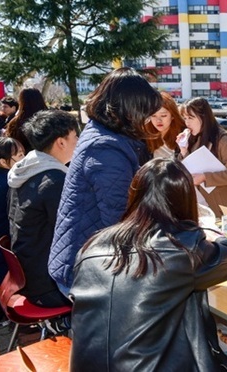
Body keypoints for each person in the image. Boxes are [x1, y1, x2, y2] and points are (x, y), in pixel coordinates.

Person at [69, 158, 227, 371]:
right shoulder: (181, 247)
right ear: (185, 199)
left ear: (135, 195)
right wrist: (211, 237)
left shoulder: (91, 246)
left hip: (86, 366)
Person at [50, 67, 162, 294]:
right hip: (87, 267)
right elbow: (121, 216)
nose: (149, 120)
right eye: (146, 113)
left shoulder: (101, 133)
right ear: (129, 109)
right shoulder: (106, 148)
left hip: (84, 255)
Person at [7, 110, 78, 307]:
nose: (78, 141)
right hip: (46, 285)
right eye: (75, 136)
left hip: (27, 273)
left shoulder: (25, 169)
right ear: (61, 142)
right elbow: (73, 233)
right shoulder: (54, 181)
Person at [177, 97, 227, 218]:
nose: (187, 123)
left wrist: (205, 177)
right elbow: (190, 166)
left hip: (223, 207)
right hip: (202, 203)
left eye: (191, 118)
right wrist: (183, 150)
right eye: (185, 118)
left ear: (204, 117)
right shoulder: (195, 138)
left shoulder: (224, 141)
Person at [0, 138, 24, 284]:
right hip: (2, 262)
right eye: (19, 156)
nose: (24, 160)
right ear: (3, 162)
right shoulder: (11, 183)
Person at [5, 88, 48, 153]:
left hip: (24, 159)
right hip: (51, 158)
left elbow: (10, 144)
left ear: (21, 101)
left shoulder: (15, 123)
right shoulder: (51, 120)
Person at [145, 91, 186, 158]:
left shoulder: (183, 135)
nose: (158, 120)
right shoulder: (144, 136)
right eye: (153, 116)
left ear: (172, 115)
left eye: (163, 115)